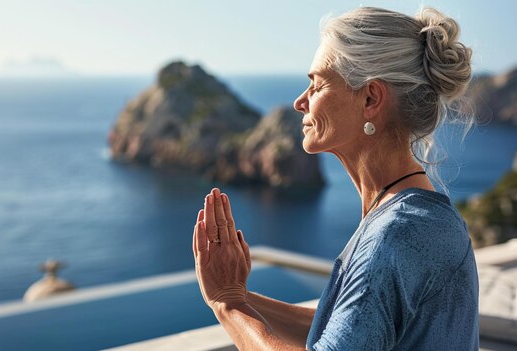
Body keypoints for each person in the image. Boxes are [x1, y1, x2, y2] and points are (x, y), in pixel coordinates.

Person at [192, 6, 479, 351]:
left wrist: (229, 305)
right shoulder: (426, 219)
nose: (301, 102)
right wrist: (238, 296)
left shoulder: (394, 236)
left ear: (371, 98)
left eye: (317, 84)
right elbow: (352, 330)